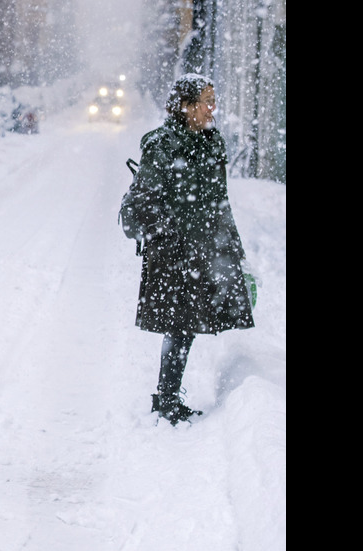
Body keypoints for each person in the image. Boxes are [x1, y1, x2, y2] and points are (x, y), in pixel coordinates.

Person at [129, 73, 254, 425]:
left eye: (213, 100)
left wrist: (234, 248)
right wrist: (169, 232)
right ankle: (166, 399)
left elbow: (219, 201)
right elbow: (146, 200)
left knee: (188, 324)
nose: (213, 109)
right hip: (172, 250)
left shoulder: (212, 143)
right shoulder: (162, 144)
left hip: (202, 248)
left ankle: (167, 397)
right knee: (180, 325)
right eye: (206, 102)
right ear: (186, 107)